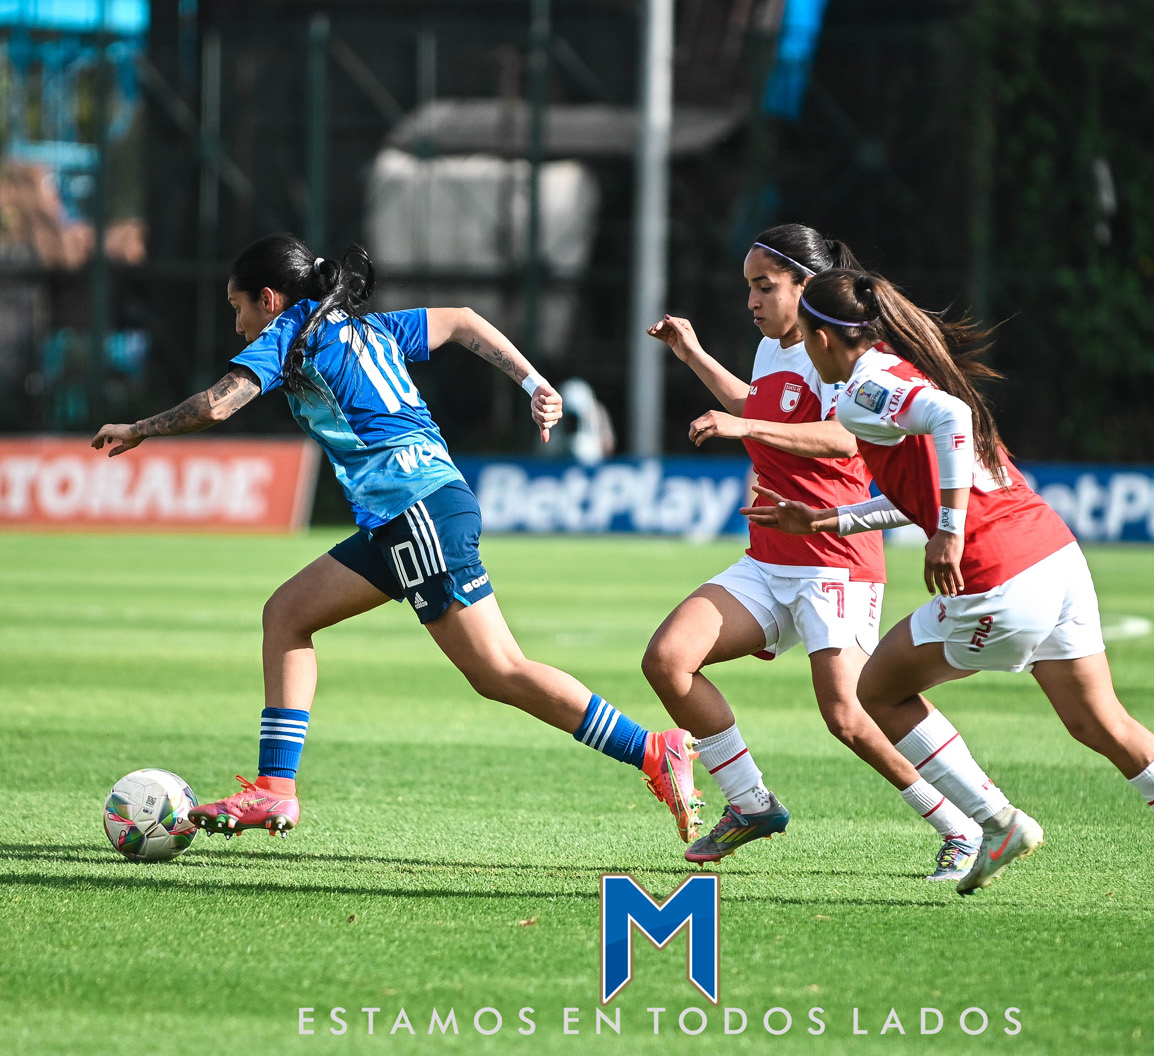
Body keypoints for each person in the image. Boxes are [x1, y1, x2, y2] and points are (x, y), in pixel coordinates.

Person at [90, 234, 699, 843]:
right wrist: (534, 382)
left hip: (416, 510)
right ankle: (275, 788)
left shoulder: (289, 335)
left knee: (498, 669)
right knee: (287, 614)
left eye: (238, 307)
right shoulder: (367, 327)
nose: (238, 324)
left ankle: (652, 750)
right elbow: (462, 320)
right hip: (408, 513)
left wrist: (141, 428)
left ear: (269, 299)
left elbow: (217, 406)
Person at [746, 267, 1154, 911]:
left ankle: (996, 822)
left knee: (875, 691)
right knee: (1098, 719)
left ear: (822, 338)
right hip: (1055, 555)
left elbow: (953, 418)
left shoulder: (861, 391)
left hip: (997, 571)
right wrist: (828, 520)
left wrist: (949, 531)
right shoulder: (903, 370)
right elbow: (920, 489)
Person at [643, 224, 983, 877]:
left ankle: (961, 825)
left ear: (806, 287)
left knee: (849, 716)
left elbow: (844, 438)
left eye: (764, 286)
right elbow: (757, 407)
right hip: (770, 558)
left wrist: (743, 425)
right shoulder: (771, 348)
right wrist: (692, 355)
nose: (752, 300)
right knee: (668, 660)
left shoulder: (838, 355)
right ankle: (750, 803)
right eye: (749, 287)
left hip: (833, 558)